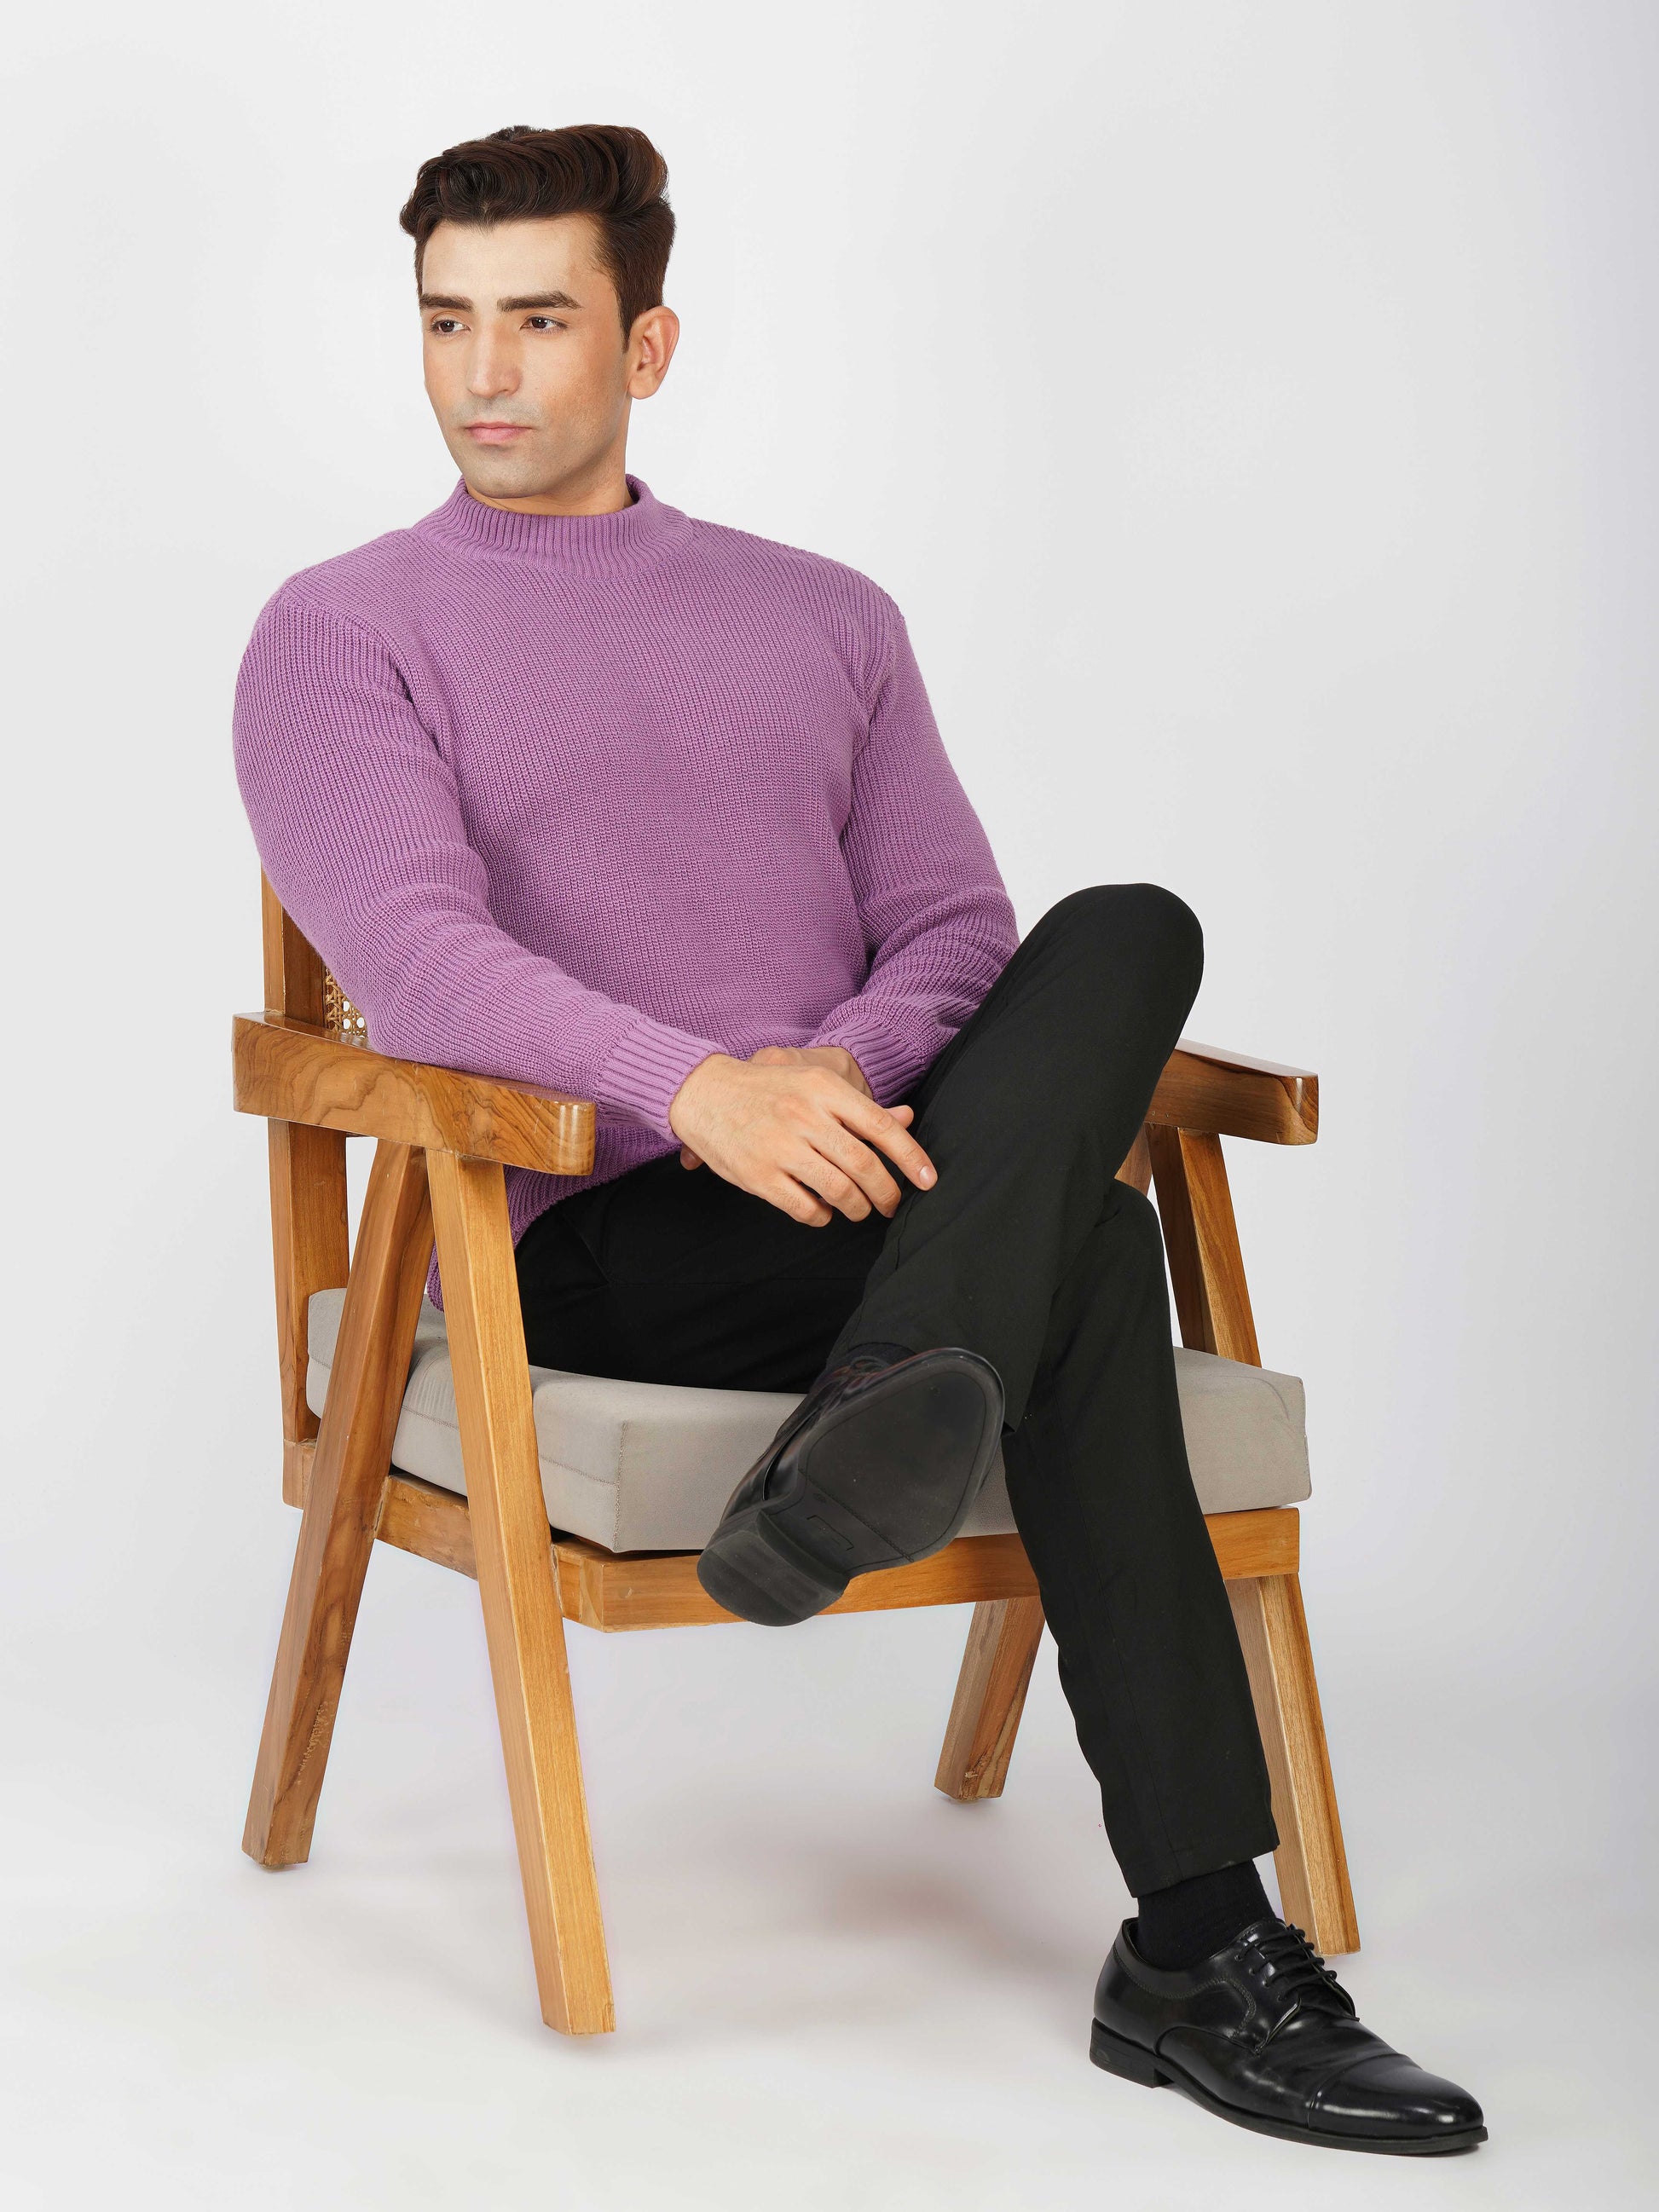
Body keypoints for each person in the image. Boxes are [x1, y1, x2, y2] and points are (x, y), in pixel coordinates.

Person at [232, 123, 1484, 2156]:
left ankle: (903, 1381)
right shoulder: (341, 630)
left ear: (645, 346)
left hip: (869, 1180)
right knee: (1088, 1252)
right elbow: (425, 972)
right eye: (447, 323)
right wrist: (706, 1093)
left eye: (536, 321)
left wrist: (822, 1073)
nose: (483, 373)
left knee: (1125, 929)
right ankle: (1199, 1942)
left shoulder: (824, 613)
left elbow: (957, 932)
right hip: (609, 1228)